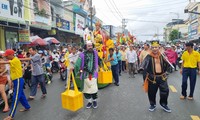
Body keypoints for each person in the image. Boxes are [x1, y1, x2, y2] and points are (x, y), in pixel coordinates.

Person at [141, 41, 171, 113]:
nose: (155, 49)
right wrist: (145, 79)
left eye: (156, 47)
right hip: (152, 78)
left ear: (159, 48)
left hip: (162, 77)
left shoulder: (162, 56)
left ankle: (164, 104)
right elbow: (143, 67)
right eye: (153, 47)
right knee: (151, 92)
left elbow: (168, 66)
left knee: (165, 91)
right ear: (151, 48)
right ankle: (152, 104)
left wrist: (166, 61)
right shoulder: (148, 57)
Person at [0, 49, 31, 120]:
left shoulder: (14, 60)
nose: (6, 57)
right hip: (16, 80)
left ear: (11, 55)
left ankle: (11, 115)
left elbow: (5, 62)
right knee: (21, 95)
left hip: (18, 80)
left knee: (15, 97)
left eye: (7, 56)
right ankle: (27, 106)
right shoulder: (14, 59)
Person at [74, 41, 99, 109]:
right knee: (85, 91)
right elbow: (77, 65)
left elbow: (98, 61)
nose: (90, 47)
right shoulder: (82, 55)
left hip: (94, 74)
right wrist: (75, 69)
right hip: (85, 75)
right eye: (89, 46)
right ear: (85, 47)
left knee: (94, 90)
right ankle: (89, 101)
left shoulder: (95, 53)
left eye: (91, 46)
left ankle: (94, 101)